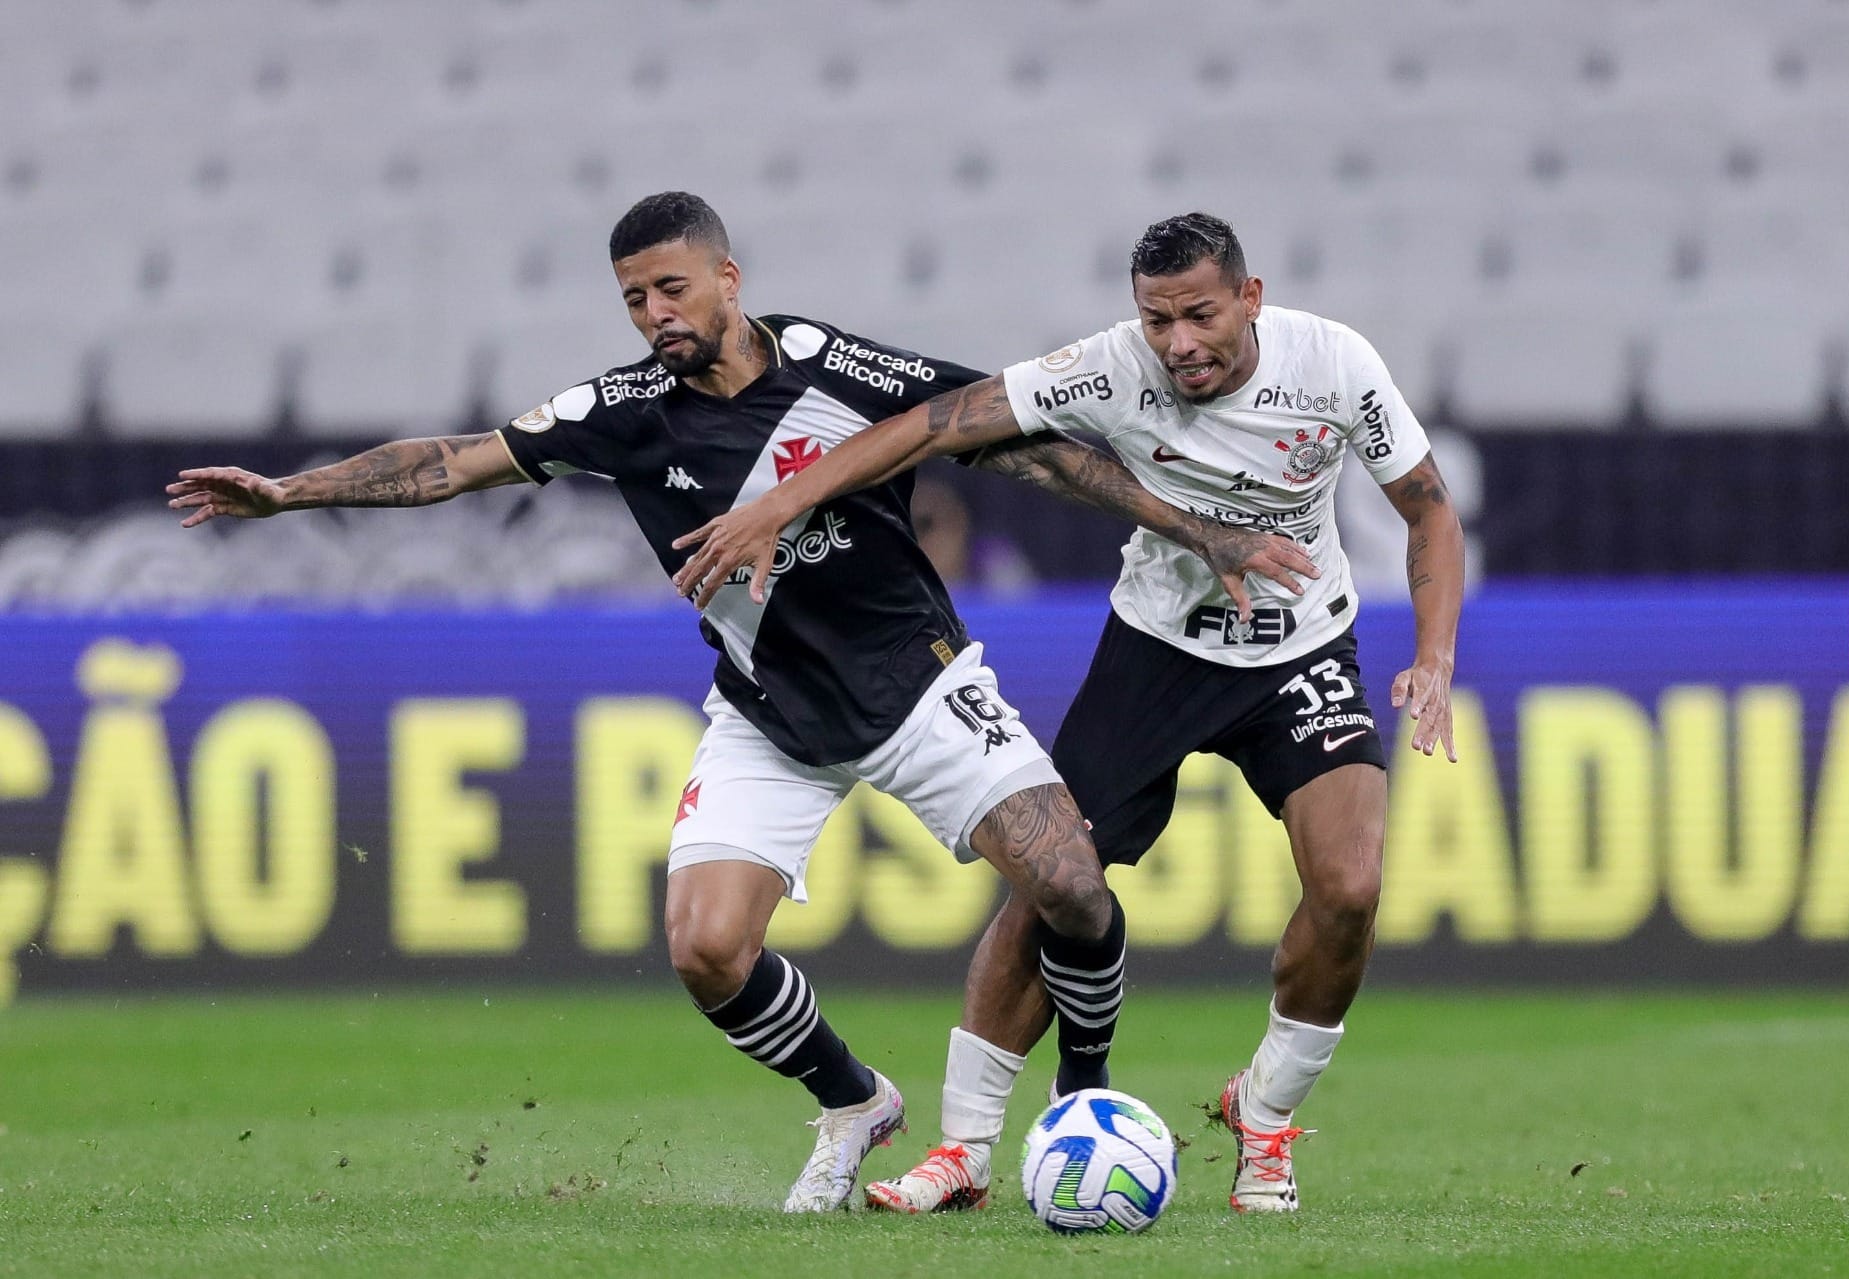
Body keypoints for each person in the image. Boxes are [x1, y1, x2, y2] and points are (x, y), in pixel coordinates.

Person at [166, 193, 1316, 1213]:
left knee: (1069, 880)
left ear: (729, 278)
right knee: (709, 949)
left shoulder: (839, 367)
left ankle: (1083, 1095)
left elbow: (1018, 442)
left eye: (672, 286)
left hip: (919, 682)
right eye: (632, 299)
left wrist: (1197, 525)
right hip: (770, 712)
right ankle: (856, 1099)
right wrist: (288, 494)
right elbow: (452, 460)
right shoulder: (620, 411)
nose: (656, 314)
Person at [673, 210, 1465, 1215]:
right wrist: (781, 503)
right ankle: (962, 1149)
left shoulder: (1335, 363)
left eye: (1201, 315)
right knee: (1056, 881)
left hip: (1299, 647)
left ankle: (1264, 1115)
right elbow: (932, 423)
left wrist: (1434, 657)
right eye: (1158, 319)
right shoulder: (1103, 368)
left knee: (1351, 886)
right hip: (1155, 651)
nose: (1179, 342)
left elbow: (1429, 507)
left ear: (1251, 298)